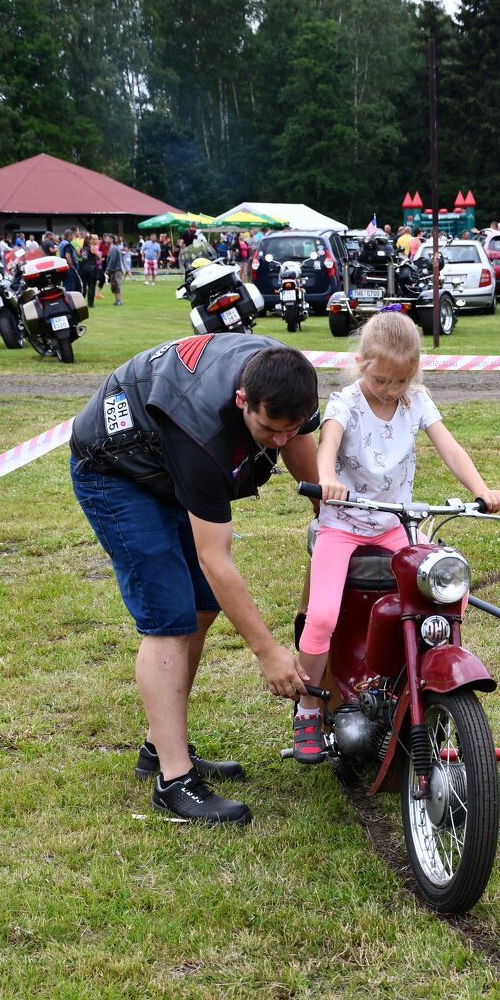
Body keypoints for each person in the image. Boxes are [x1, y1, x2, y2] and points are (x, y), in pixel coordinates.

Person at [70, 334, 320, 824]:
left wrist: (324, 506)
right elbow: (216, 560)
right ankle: (173, 781)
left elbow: (299, 439)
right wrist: (268, 653)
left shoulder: (287, 377)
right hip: (115, 470)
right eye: (268, 430)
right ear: (242, 400)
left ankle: (159, 747)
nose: (279, 442)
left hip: (163, 462)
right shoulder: (201, 433)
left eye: (290, 429)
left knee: (202, 607)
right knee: (169, 620)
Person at [291, 310, 500, 763]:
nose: (391, 390)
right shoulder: (345, 403)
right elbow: (326, 446)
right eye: (383, 380)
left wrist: (481, 489)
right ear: (360, 363)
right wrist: (327, 478)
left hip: (393, 524)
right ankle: (308, 707)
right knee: (324, 615)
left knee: (448, 594)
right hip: (343, 524)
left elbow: (449, 447)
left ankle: (421, 682)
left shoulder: (417, 402)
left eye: (401, 381)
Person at [106, 235, 124, 304]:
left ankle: (118, 301)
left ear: (111, 239)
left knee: (116, 285)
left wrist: (108, 269)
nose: (106, 240)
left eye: (107, 238)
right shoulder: (115, 247)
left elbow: (112, 260)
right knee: (116, 285)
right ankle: (118, 300)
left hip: (116, 270)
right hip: (117, 269)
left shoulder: (113, 248)